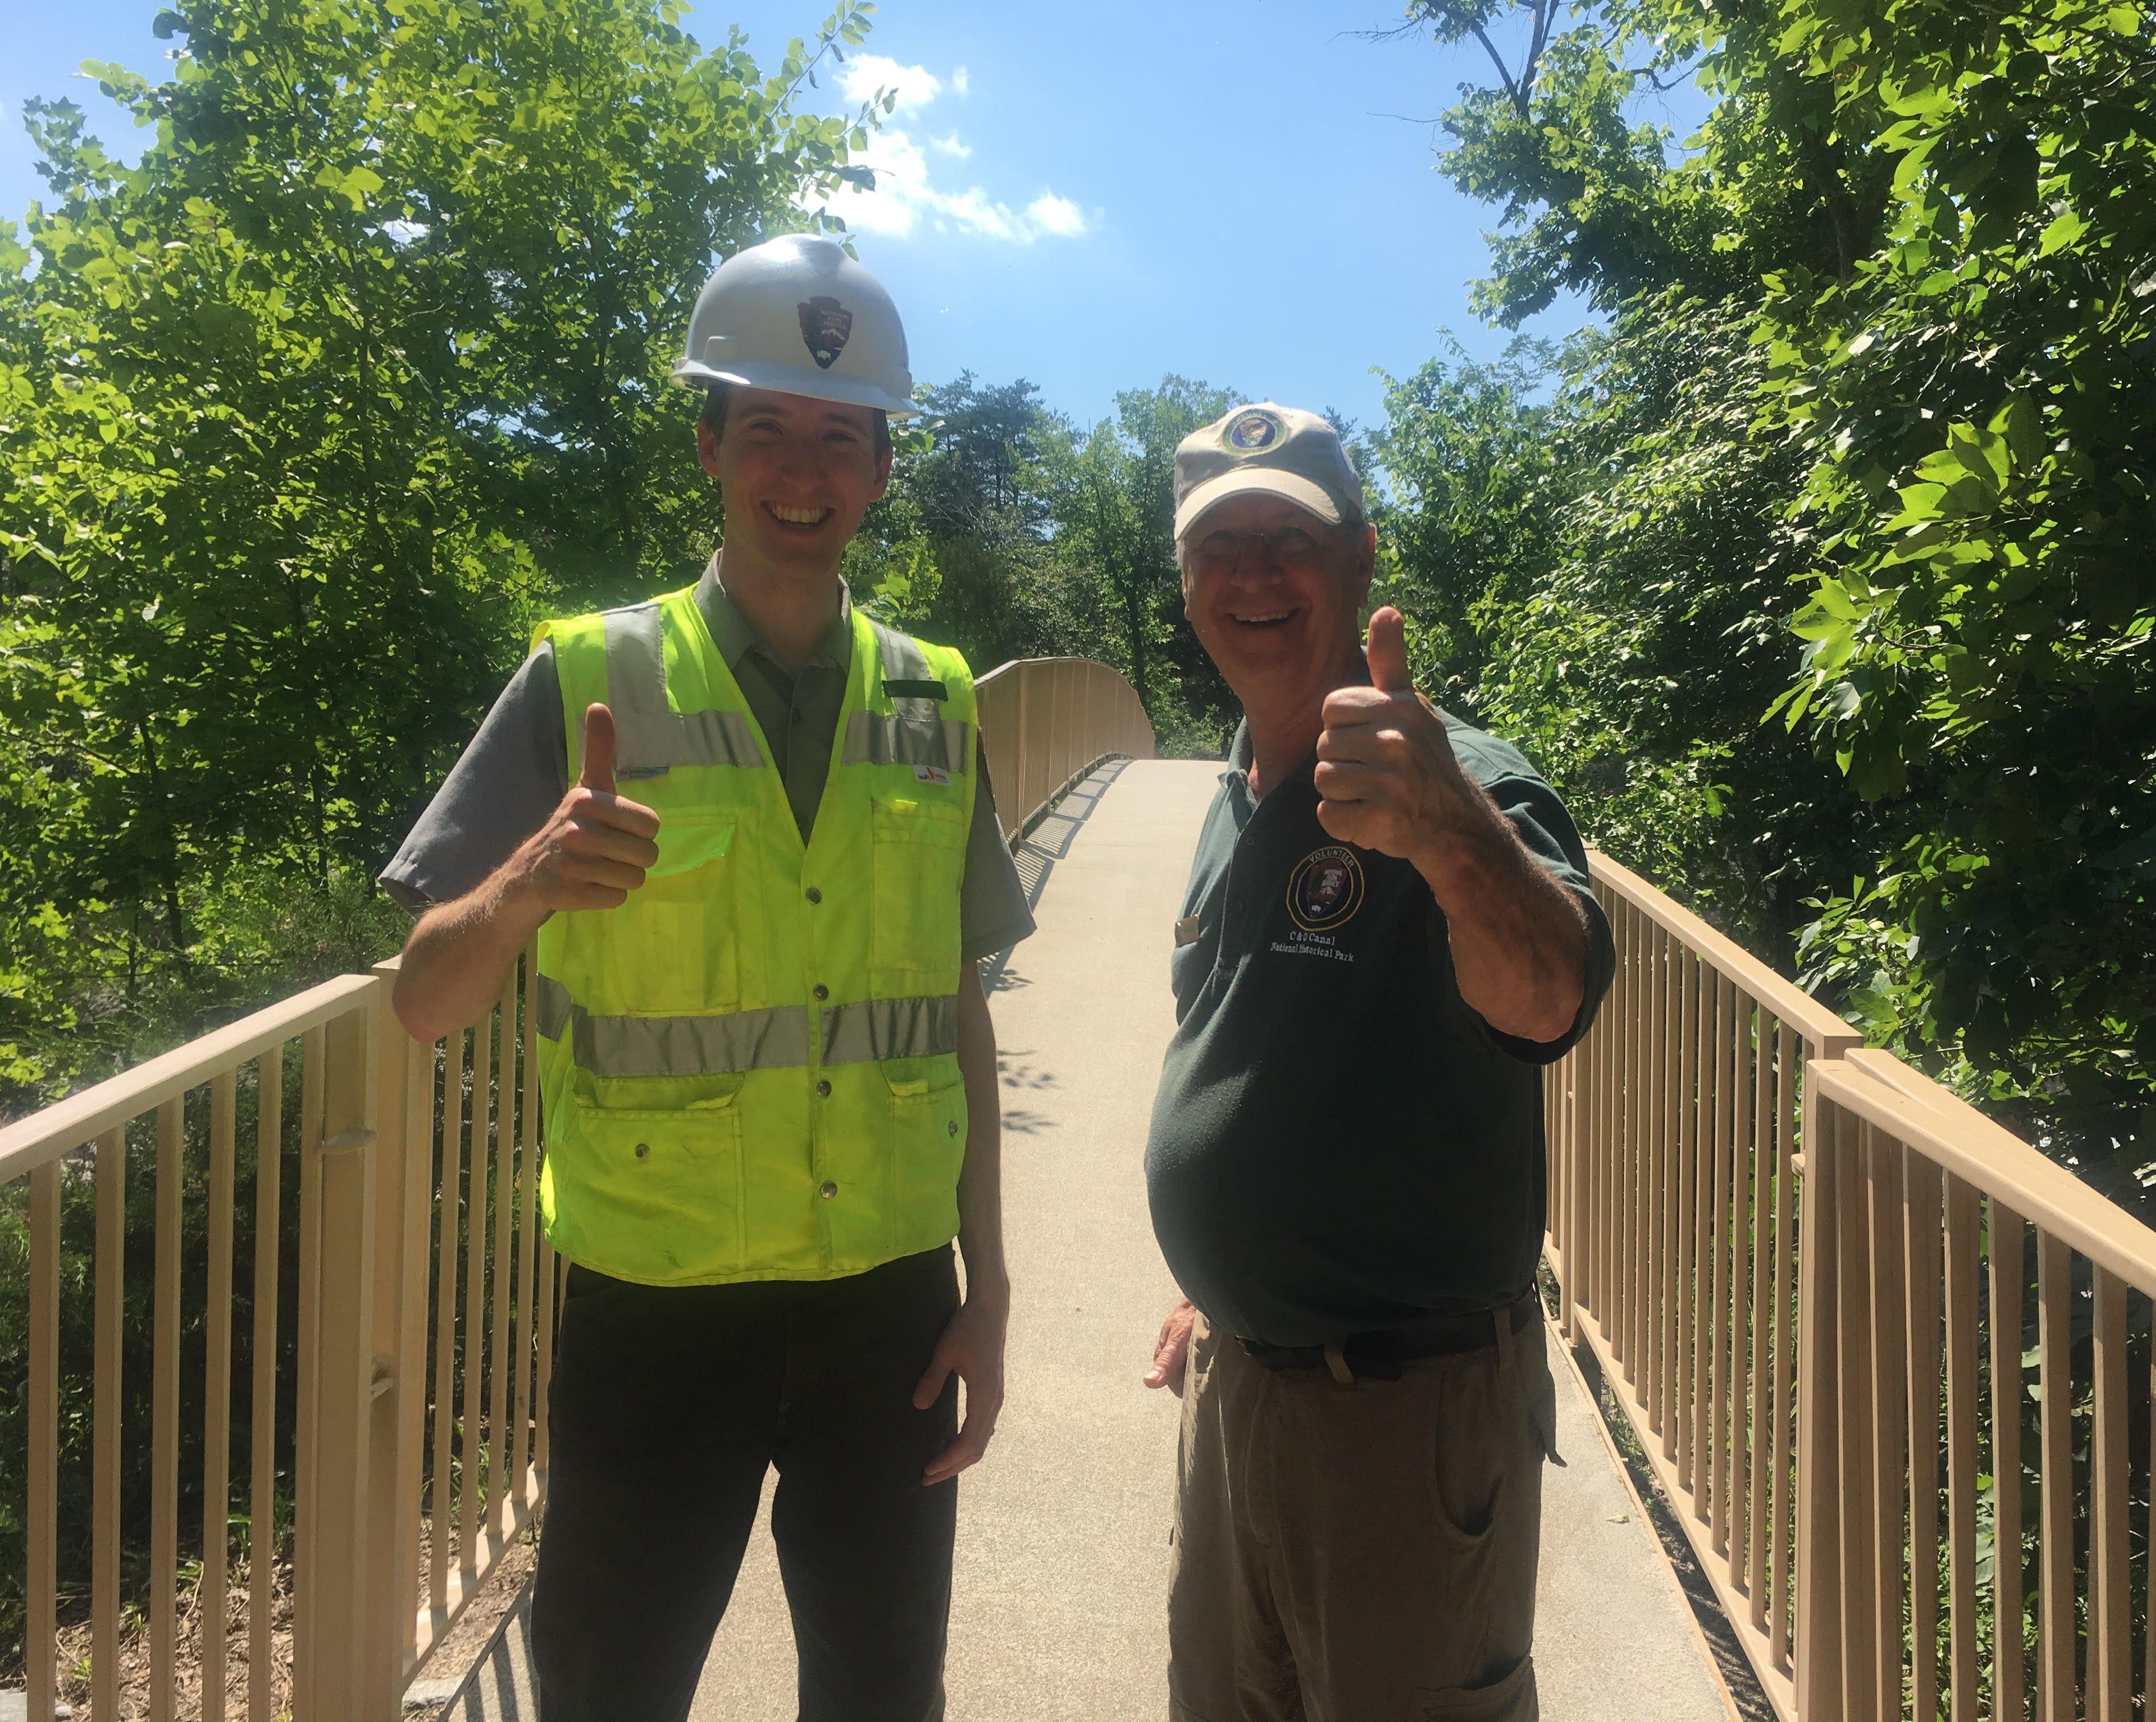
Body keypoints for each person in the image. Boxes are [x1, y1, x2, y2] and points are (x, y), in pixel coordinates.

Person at [382, 234, 1034, 1722]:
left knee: (884, 1695)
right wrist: (530, 879)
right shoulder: (586, 676)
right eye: (766, 432)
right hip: (654, 1303)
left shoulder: (936, 700)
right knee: (612, 1693)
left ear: (881, 469)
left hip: (886, 1304)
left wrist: (987, 1292)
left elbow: (955, 1012)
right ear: (709, 448)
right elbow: (422, 998)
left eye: (838, 439)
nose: (801, 474)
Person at [1139, 403, 1615, 1721]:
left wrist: (1455, 837)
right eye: (1219, 544)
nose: (1252, 574)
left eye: (1289, 537)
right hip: (1241, 1384)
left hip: (1400, 1414)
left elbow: (1551, 997)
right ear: (1185, 583)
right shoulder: (1237, 788)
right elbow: (1239, 1038)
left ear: (1359, 561)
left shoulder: (1448, 776)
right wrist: (1210, 1275)